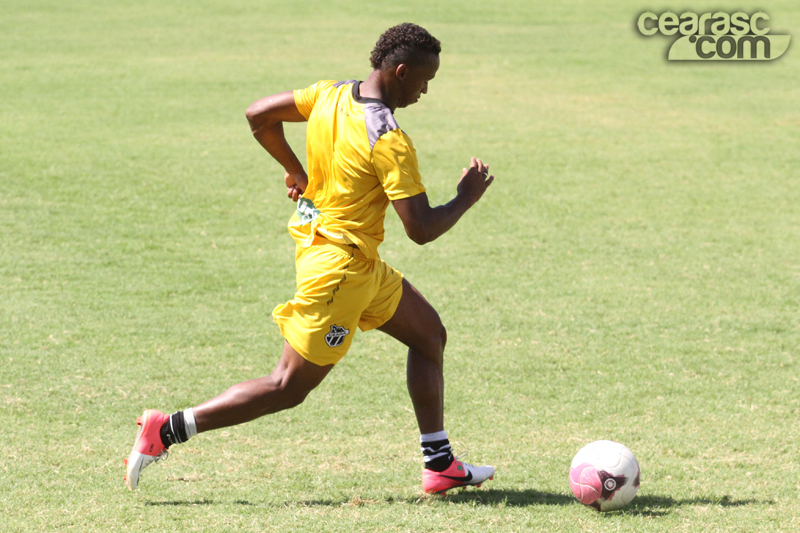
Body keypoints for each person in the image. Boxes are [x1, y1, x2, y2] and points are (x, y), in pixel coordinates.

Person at [124, 22, 495, 495]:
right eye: (425, 81)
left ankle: (439, 462)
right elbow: (419, 229)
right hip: (340, 271)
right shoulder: (389, 139)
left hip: (350, 258)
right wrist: (464, 197)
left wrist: (293, 167)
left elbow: (258, 114)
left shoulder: (332, 94)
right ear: (401, 72)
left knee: (429, 336)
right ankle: (167, 429)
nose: (425, 91)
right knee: (287, 386)